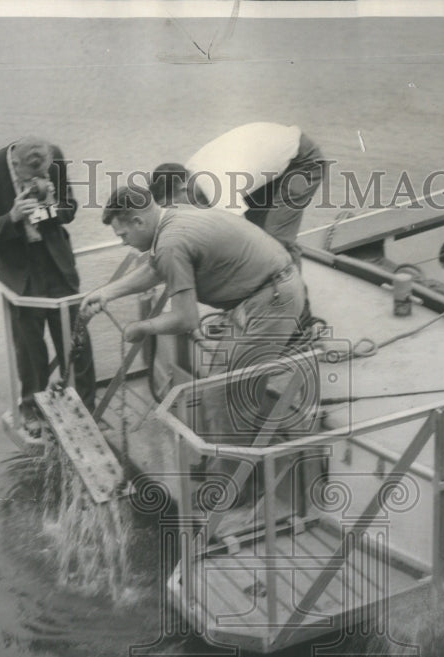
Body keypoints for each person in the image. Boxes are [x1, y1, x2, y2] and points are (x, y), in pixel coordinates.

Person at [80, 185, 307, 442]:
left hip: (273, 301)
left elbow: (186, 319)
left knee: (223, 395)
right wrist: (107, 292)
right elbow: (155, 269)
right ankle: (237, 454)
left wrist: (141, 328)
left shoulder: (170, 243)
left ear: (138, 221)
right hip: (263, 293)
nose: (123, 242)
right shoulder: (173, 215)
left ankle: (233, 475)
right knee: (225, 386)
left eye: (123, 234)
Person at [0, 136, 96, 434]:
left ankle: (88, 406)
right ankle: (32, 410)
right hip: (19, 271)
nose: (40, 179)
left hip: (57, 265)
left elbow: (69, 210)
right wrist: (13, 217)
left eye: (45, 173)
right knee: (29, 346)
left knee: (76, 337)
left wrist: (45, 210)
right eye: (33, 176)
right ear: (15, 165)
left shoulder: (55, 155)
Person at [149, 122, 328, 267]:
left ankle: (294, 306)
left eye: (173, 206)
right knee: (256, 232)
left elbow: (243, 236)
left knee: (275, 245)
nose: (176, 213)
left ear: (182, 190)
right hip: (270, 163)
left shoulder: (216, 184)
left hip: (302, 160)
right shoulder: (188, 176)